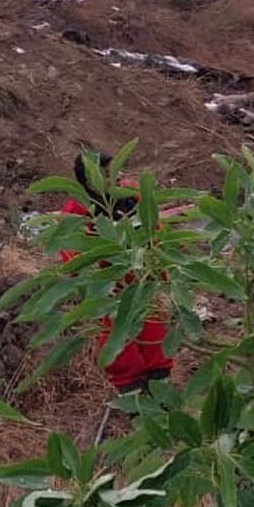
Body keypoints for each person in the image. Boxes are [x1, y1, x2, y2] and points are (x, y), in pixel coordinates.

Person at [59, 153, 174, 395]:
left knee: (153, 324)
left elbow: (153, 226)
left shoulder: (130, 193)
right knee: (115, 335)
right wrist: (88, 285)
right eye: (105, 171)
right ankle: (130, 390)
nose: (114, 175)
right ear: (90, 179)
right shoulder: (76, 208)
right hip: (107, 280)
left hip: (141, 271)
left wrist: (161, 264)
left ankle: (160, 385)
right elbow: (70, 251)